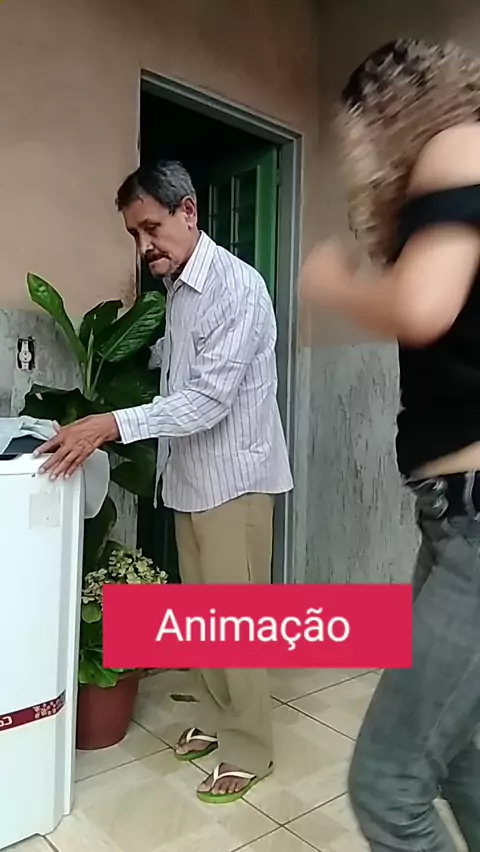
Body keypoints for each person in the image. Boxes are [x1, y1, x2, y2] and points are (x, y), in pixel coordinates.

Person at [37, 159, 293, 803]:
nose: (145, 244)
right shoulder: (178, 291)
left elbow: (207, 401)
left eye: (152, 227)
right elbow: (178, 387)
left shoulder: (237, 286)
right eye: (134, 234)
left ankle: (250, 746)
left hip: (236, 480)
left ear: (189, 212)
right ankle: (217, 717)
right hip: (191, 478)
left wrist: (110, 424)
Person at [299, 39, 480, 851]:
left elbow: (422, 307)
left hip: (474, 520)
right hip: (451, 521)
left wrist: (333, 285)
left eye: (359, 134)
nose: (358, 158)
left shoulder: (459, 143)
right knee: (457, 756)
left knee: (385, 787)